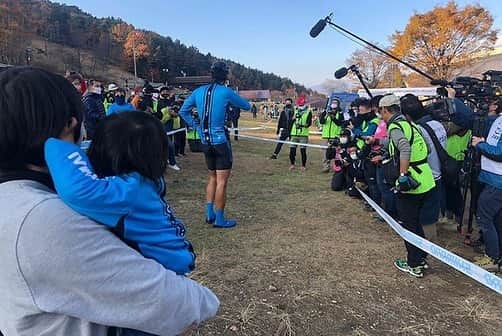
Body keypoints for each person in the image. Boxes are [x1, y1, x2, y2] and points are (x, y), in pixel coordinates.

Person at [0, 67, 219, 336]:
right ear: (67, 128)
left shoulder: (15, 199)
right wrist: (60, 142)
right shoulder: (43, 219)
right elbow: (176, 305)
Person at [179, 61, 250, 228]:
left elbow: (183, 111)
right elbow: (246, 106)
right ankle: (219, 219)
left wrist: (196, 126)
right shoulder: (226, 91)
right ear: (225, 75)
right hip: (220, 141)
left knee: (212, 177)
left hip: (205, 141)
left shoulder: (198, 91)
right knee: (222, 182)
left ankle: (209, 213)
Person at [379, 94, 436, 278]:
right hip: (426, 178)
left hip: (411, 183)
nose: (381, 116)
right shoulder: (411, 124)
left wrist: (403, 175)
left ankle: (414, 264)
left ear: (386, 110)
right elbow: (427, 147)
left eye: (381, 112)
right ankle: (420, 258)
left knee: (409, 225)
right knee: (416, 223)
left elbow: (404, 148)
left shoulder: (395, 126)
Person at [448, 89, 502, 271]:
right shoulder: (496, 121)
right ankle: (497, 255)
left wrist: (480, 144)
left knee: (484, 218)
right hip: (492, 178)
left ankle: (493, 257)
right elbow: (471, 120)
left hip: (497, 181)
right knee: (496, 220)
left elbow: (499, 152)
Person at [400, 94, 447, 241]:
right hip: (439, 172)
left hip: (426, 176)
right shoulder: (438, 124)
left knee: (424, 217)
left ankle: (425, 246)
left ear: (407, 115)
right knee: (432, 212)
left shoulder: (417, 130)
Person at [319, 98, 343, 172]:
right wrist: (326, 115)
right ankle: (326, 167)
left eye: (335, 103)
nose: (334, 104)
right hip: (326, 135)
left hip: (335, 135)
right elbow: (322, 121)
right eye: (333, 102)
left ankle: (338, 166)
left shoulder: (340, 113)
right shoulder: (326, 112)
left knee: (336, 152)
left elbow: (339, 123)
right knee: (325, 153)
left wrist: (333, 117)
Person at [289, 95, 312, 171]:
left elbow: (309, 123)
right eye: (299, 104)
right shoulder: (295, 110)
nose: (300, 106)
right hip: (294, 133)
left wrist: (303, 125)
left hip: (303, 134)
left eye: (301, 104)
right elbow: (291, 121)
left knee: (303, 151)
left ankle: (303, 166)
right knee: (292, 150)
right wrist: (293, 118)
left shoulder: (308, 111)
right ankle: (292, 164)